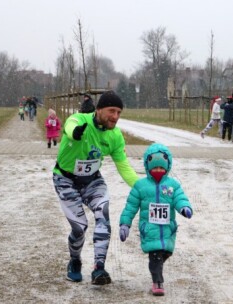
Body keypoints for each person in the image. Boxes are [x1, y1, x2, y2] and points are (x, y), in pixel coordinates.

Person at [52, 90, 139, 284]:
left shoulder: (115, 136)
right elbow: (70, 126)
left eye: (119, 112)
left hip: (92, 180)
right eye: (111, 111)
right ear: (99, 109)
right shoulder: (79, 119)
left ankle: (99, 268)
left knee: (103, 214)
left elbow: (124, 167)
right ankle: (75, 261)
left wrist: (143, 186)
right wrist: (75, 133)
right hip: (65, 179)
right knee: (79, 228)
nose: (115, 117)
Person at [119, 143, 193, 296]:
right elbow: (131, 206)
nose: (158, 171)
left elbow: (180, 198)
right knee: (155, 255)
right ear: (147, 166)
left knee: (165, 252)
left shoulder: (172, 185)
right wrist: (125, 224)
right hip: (150, 228)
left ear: (167, 167)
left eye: (161, 168)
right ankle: (157, 282)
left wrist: (184, 208)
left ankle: (157, 265)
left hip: (167, 228)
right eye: (155, 168)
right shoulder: (140, 186)